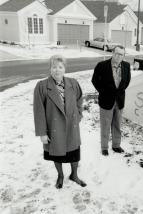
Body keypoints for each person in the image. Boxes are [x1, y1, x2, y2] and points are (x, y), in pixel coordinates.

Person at [33, 55, 86, 189]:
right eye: (54, 67)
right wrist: (42, 133)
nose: (57, 70)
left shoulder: (73, 83)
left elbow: (79, 100)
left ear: (64, 69)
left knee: (74, 154)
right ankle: (60, 175)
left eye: (60, 67)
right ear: (50, 69)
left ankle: (74, 175)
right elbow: (38, 111)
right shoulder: (42, 86)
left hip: (71, 127)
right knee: (57, 155)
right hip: (54, 127)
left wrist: (78, 115)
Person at [92, 45, 131, 156]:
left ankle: (116, 145)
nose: (119, 56)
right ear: (112, 53)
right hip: (106, 100)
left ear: (124, 56)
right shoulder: (102, 65)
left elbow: (127, 81)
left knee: (117, 124)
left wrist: (119, 92)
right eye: (117, 53)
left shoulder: (126, 66)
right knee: (105, 125)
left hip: (119, 100)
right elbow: (95, 80)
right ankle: (104, 147)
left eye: (121, 54)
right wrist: (103, 92)